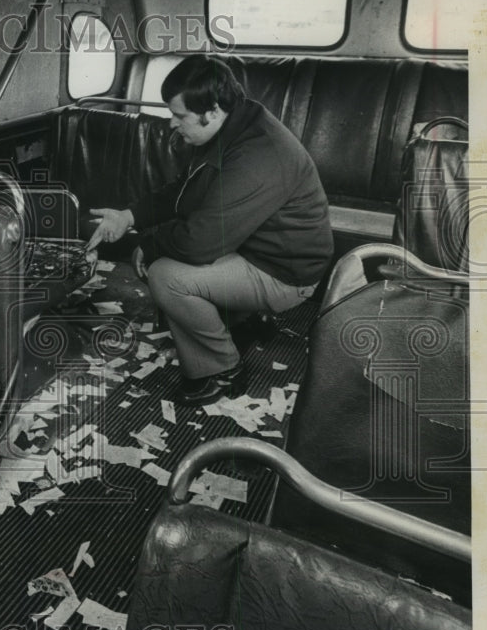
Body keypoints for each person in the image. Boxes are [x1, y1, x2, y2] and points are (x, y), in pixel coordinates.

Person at [87, 55, 333, 405]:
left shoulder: (257, 154)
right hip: (255, 248)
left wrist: (152, 244)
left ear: (213, 110)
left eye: (179, 115)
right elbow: (183, 190)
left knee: (166, 275)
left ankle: (221, 370)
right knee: (166, 258)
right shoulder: (233, 124)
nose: (172, 123)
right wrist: (128, 216)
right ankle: (238, 321)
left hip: (285, 273)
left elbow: (199, 244)